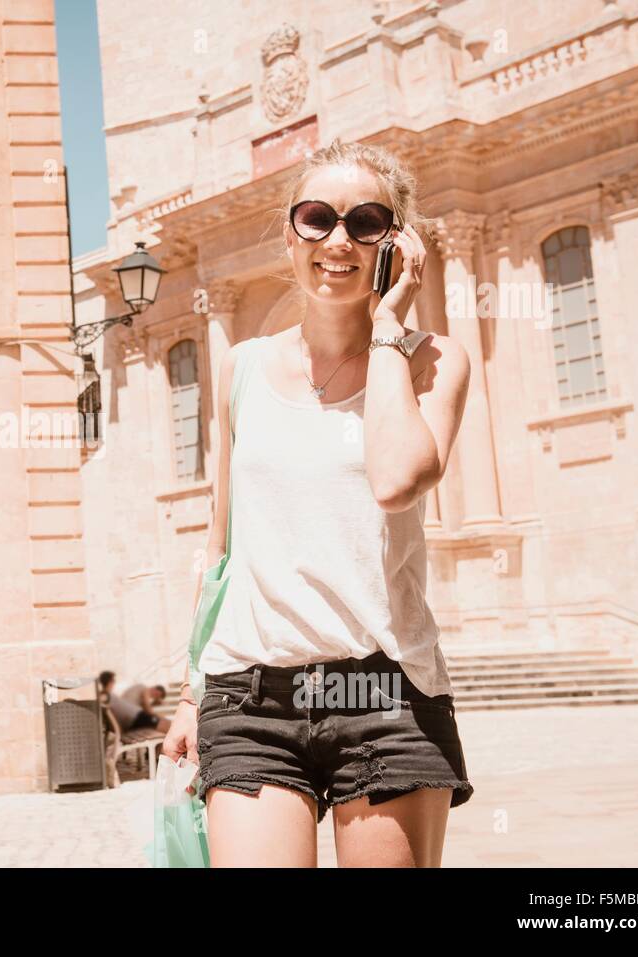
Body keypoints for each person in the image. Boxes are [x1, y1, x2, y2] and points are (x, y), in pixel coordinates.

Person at [162, 140, 474, 867]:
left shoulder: (433, 361)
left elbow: (397, 478)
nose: (339, 240)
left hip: (386, 690)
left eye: (367, 222)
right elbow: (222, 543)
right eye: (317, 218)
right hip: (249, 698)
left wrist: (390, 331)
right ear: (290, 231)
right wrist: (188, 691)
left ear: (398, 245)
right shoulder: (240, 369)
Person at [99, 672, 171, 733]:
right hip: (134, 717)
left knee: (163, 726)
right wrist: (161, 717)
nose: (155, 696)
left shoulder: (108, 696)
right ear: (110, 681)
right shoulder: (144, 688)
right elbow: (148, 710)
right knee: (168, 725)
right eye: (157, 695)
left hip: (133, 719)